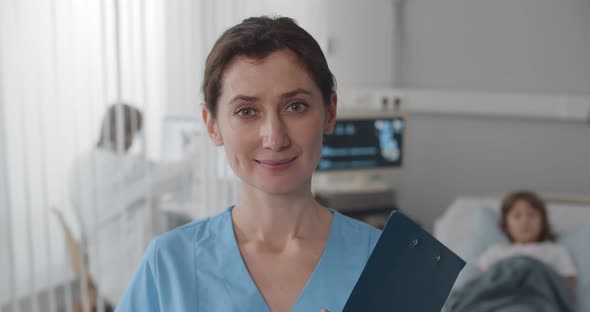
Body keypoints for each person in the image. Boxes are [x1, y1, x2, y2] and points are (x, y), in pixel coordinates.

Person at [115, 16, 381, 312]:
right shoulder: (168, 264)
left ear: (330, 112)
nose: (274, 138)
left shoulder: (385, 260)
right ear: (212, 125)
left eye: (295, 106)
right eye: (246, 111)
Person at [68, 103, 192, 309]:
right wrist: (200, 141)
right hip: (128, 281)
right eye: (134, 136)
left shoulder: (79, 165)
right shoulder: (126, 168)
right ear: (127, 134)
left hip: (101, 272)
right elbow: (180, 174)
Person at [477, 191, 577, 294]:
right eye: (517, 216)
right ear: (506, 226)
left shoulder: (556, 251)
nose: (525, 221)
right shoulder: (495, 252)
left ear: (543, 223)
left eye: (532, 215)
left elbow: (568, 289)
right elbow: (480, 287)